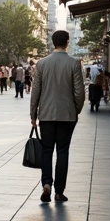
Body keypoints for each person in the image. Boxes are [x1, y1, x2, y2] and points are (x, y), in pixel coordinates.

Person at [31, 30, 86, 203]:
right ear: (67, 42)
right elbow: (79, 93)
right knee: (62, 151)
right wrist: (75, 110)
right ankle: (59, 192)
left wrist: (33, 114)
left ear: (53, 42)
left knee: (47, 151)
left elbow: (35, 92)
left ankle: (46, 183)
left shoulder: (41, 63)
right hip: (67, 115)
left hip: (46, 115)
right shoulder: (74, 63)